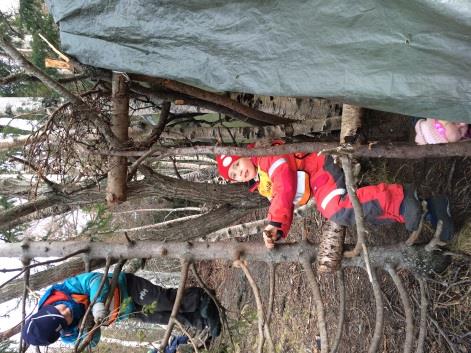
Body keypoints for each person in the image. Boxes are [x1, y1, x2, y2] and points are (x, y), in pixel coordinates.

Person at [216, 140, 454, 249]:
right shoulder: (261, 180)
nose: (239, 172)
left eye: (236, 165)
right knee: (334, 209)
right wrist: (277, 231)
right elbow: (281, 194)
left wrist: (276, 221)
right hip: (317, 181)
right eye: (234, 175)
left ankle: (404, 202)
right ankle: (425, 207)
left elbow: (285, 185)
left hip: (321, 166)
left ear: (242, 153)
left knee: (336, 209)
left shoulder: (267, 156)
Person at [22, 272, 221, 347]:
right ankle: (201, 321)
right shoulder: (69, 335)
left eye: (61, 310)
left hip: (126, 287)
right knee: (162, 316)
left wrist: (98, 301)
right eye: (64, 319)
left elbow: (94, 279)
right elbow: (92, 343)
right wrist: (90, 331)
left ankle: (201, 300)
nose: (66, 312)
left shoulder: (60, 292)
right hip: (125, 311)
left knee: (163, 300)